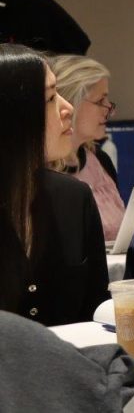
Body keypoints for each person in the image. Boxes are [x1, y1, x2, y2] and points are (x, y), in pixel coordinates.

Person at [0, 44, 107, 326]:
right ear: (12, 114)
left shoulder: (73, 198)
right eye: (50, 98)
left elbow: (97, 315)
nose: (67, 107)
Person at [48, 55, 125, 242]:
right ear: (70, 102)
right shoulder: (42, 171)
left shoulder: (101, 160)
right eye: (100, 101)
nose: (109, 109)